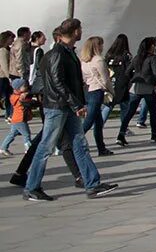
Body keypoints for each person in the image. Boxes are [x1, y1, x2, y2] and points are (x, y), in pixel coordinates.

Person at [23, 20, 118, 201]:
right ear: (75, 32)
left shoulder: (68, 52)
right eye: (80, 29)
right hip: (58, 107)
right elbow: (58, 82)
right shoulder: (57, 53)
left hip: (66, 105)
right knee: (46, 147)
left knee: (80, 143)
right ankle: (31, 187)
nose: (81, 32)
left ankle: (92, 184)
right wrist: (75, 104)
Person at [118, 37, 156, 145]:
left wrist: (133, 78)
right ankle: (154, 134)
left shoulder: (137, 57)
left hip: (135, 87)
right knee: (153, 112)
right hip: (148, 88)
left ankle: (121, 134)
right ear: (152, 46)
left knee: (130, 112)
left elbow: (128, 71)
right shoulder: (153, 58)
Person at [79, 36, 114, 156]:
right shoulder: (99, 60)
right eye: (101, 44)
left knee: (98, 122)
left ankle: (101, 147)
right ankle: (73, 143)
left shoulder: (84, 60)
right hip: (97, 90)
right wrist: (112, 92)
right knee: (89, 121)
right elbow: (105, 79)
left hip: (88, 89)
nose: (102, 47)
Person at [104, 35, 133, 127]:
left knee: (109, 105)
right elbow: (129, 70)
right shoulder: (126, 55)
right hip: (122, 82)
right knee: (125, 106)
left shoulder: (109, 54)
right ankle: (124, 127)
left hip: (111, 81)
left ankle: (100, 125)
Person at [1, 77, 32, 155]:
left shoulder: (14, 96)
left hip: (15, 119)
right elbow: (26, 101)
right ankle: (29, 149)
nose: (26, 87)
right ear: (18, 89)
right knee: (26, 134)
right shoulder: (20, 97)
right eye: (24, 86)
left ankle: (3, 147)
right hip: (20, 119)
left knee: (12, 134)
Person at [0, 30, 13, 120]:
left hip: (4, 77)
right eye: (11, 38)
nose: (12, 40)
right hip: (3, 77)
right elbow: (4, 65)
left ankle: (9, 114)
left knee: (9, 97)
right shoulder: (3, 51)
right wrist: (9, 77)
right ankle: (8, 114)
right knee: (6, 96)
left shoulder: (7, 49)